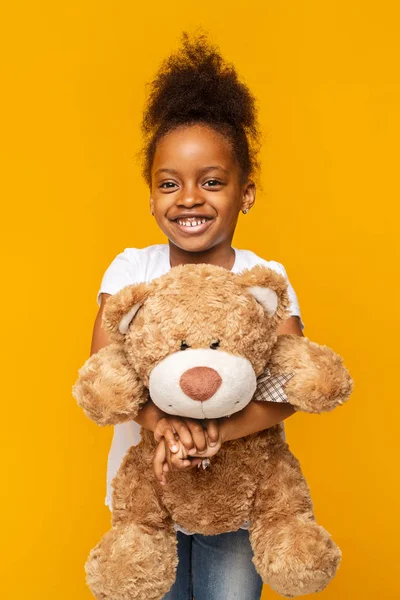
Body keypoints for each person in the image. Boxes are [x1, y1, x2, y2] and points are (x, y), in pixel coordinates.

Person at [90, 31, 304, 600]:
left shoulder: (265, 278)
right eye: (169, 183)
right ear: (151, 194)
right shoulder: (130, 269)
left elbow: (289, 384)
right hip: (149, 494)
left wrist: (218, 433)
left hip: (237, 497)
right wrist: (163, 428)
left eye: (212, 181)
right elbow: (103, 370)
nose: (189, 198)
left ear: (246, 192)